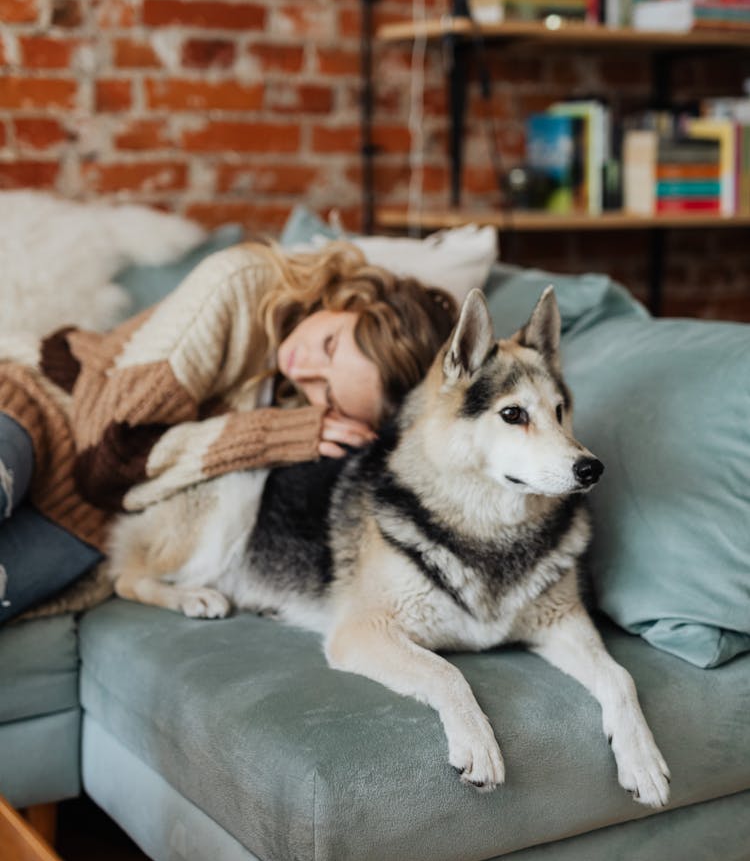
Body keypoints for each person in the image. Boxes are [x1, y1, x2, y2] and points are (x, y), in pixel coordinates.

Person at [0, 238, 457, 620]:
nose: (306, 369)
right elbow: (107, 458)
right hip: (32, 403)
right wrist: (275, 434)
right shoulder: (240, 283)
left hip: (85, 520)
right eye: (330, 344)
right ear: (354, 303)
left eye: (329, 394)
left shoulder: (312, 420)